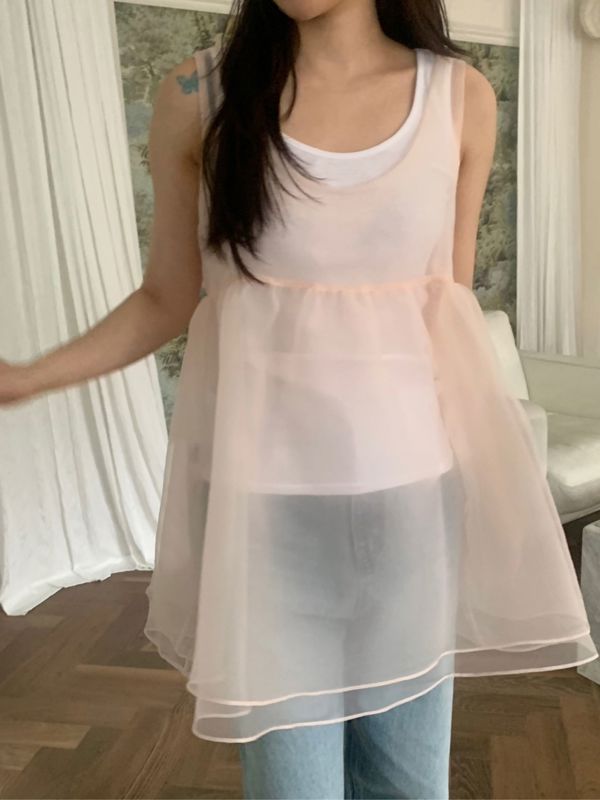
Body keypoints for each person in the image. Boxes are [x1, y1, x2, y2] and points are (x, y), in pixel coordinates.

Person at [1, 0, 598, 798]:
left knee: (408, 784)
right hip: (262, 516)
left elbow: (447, 311)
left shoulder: (459, 99)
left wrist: (498, 494)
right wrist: (29, 377)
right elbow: (165, 298)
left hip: (413, 509)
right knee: (293, 788)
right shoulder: (197, 96)